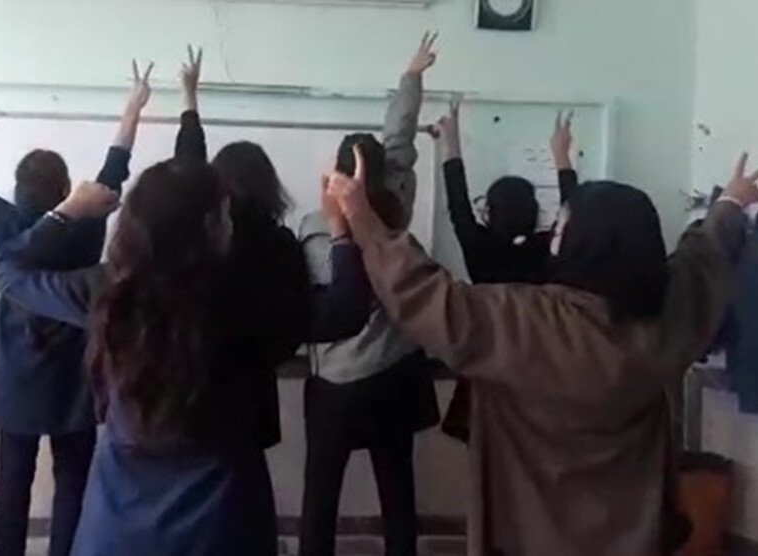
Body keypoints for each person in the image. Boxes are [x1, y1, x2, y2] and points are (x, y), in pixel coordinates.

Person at [326, 146, 758, 556]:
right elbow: (701, 258)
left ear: (584, 241)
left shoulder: (523, 321)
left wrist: (361, 217)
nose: (554, 233)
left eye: (562, 224)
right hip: (636, 539)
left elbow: (422, 292)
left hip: (528, 537)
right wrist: (730, 203)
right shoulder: (670, 319)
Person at [0, 157, 372, 554]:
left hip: (117, 526)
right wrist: (342, 226)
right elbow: (346, 309)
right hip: (222, 527)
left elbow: (7, 271)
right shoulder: (246, 302)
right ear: (210, 228)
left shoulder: (111, 292)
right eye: (225, 215)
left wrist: (69, 208)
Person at [0, 60, 152, 556]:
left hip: (17, 377)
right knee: (73, 479)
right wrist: (133, 107)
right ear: (65, 190)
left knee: (13, 482)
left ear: (18, 187)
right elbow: (115, 168)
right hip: (75, 377)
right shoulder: (86, 223)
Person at [172, 44, 366, 449]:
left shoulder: (197, 243)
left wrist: (189, 99)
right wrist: (339, 227)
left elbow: (188, 171)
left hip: (189, 409)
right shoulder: (278, 248)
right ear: (269, 186)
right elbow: (341, 314)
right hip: (248, 413)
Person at [297, 33, 441, 556]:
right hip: (395, 376)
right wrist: (412, 76)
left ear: (337, 174)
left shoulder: (316, 228)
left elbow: (320, 306)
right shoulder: (397, 204)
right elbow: (399, 141)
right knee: (398, 493)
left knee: (320, 497)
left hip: (337, 384)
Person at [435, 105, 580, 442]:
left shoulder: (479, 249)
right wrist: (561, 156)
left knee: (483, 458)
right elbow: (572, 212)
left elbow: (458, 205)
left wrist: (451, 143)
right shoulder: (546, 249)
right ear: (534, 211)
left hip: (485, 368)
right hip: (536, 370)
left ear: (490, 210)